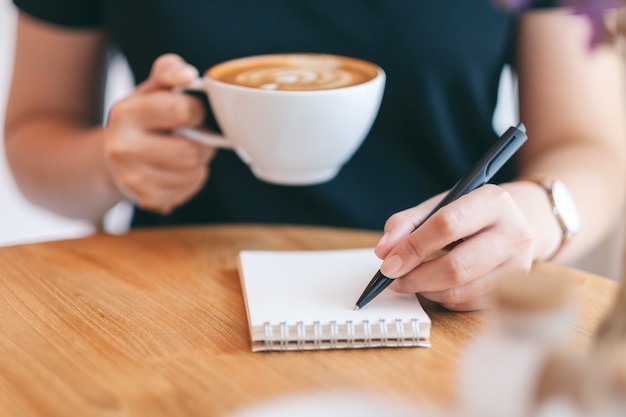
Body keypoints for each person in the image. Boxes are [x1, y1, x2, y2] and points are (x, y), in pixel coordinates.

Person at [4, 1, 625, 311]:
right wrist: (109, 162)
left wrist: (539, 213)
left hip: (442, 301)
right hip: (175, 301)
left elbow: (591, 148)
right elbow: (35, 133)